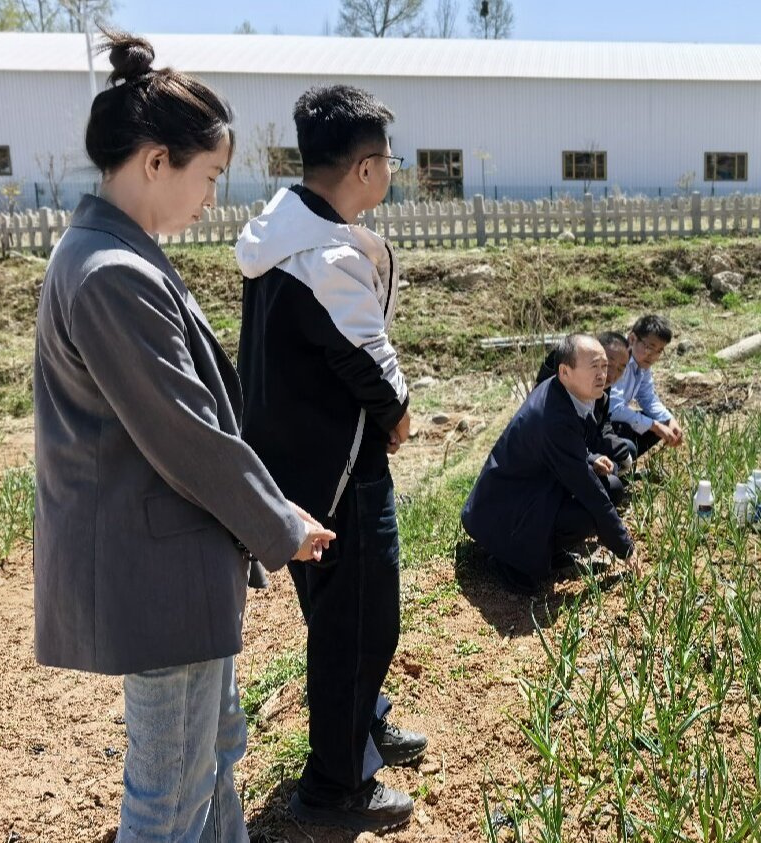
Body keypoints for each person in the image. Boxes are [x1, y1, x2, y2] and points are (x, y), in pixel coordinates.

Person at [32, 32, 335, 843]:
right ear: (156, 161)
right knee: (168, 796)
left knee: (212, 759)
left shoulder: (112, 255)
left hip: (172, 563)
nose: (211, 197)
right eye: (209, 175)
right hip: (158, 569)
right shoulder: (111, 273)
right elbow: (185, 432)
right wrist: (278, 521)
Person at [235, 84, 420, 832]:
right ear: (367, 167)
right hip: (343, 470)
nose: (392, 173)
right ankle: (334, 786)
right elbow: (366, 358)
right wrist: (398, 415)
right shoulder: (329, 253)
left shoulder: (282, 232)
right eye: (390, 161)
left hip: (295, 462)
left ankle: (360, 724)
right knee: (361, 622)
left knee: (337, 615)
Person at [462, 334, 636, 594]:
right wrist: (625, 547)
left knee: (611, 487)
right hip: (502, 513)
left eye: (605, 366)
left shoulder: (564, 391)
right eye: (594, 367)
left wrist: (588, 458)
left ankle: (547, 552)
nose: (603, 375)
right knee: (590, 509)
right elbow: (588, 489)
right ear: (565, 371)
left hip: (532, 488)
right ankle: (508, 560)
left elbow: (564, 447)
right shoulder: (553, 417)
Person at [535, 330, 635, 503]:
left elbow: (602, 423)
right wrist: (593, 459)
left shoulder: (600, 383)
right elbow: (566, 440)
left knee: (627, 448)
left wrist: (617, 450)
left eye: (621, 368)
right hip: (558, 462)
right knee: (613, 488)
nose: (611, 373)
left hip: (582, 449)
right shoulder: (559, 393)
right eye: (607, 364)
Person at [608, 314, 684, 457]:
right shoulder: (617, 359)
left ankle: (624, 461)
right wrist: (655, 426)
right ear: (632, 339)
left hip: (612, 420)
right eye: (649, 348)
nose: (653, 356)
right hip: (596, 424)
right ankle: (616, 463)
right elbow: (613, 409)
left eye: (659, 351)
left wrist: (668, 420)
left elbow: (647, 397)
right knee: (629, 430)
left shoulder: (642, 364)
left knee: (660, 421)